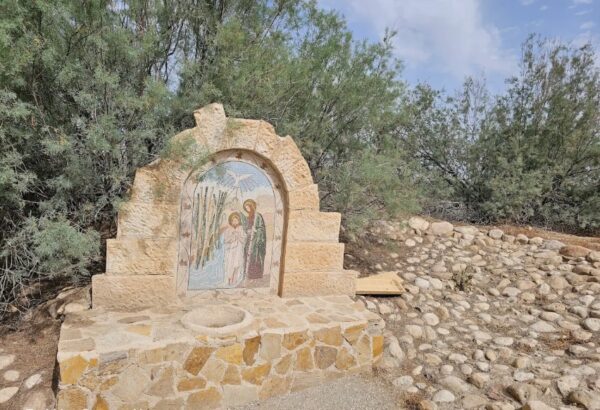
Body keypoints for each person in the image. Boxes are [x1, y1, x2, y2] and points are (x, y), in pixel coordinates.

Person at [241, 199, 267, 279]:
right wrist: (247, 231)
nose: (248, 209)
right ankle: (248, 273)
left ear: (252, 207)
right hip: (249, 239)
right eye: (246, 208)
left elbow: (261, 228)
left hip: (256, 240)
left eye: (248, 207)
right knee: (247, 254)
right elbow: (246, 227)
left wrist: (256, 230)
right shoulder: (248, 217)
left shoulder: (257, 216)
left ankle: (256, 275)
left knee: (255, 255)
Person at [222, 212, 246, 287]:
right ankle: (229, 279)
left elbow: (243, 239)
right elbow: (226, 240)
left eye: (236, 220)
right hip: (231, 251)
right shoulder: (228, 229)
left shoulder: (241, 229)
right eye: (233, 221)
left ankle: (235, 280)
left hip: (238, 250)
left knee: (237, 265)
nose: (235, 222)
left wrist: (238, 235)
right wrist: (233, 236)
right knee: (230, 265)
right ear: (231, 221)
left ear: (238, 221)